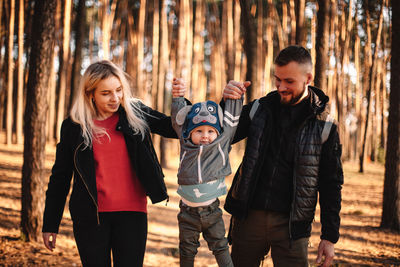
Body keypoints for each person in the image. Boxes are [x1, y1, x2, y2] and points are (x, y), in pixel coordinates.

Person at [42, 60, 177, 267]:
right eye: (106, 93)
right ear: (90, 94)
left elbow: (172, 128)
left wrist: (179, 100)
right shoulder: (74, 126)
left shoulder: (135, 114)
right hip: (90, 217)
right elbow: (60, 177)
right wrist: (50, 224)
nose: (115, 98)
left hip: (133, 215)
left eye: (119, 90)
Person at [222, 45, 343, 267]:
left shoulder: (325, 125)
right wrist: (227, 102)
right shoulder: (260, 108)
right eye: (278, 79)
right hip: (248, 216)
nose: (281, 87)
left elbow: (331, 184)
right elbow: (220, 136)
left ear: (308, 78)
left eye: (289, 81)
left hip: (291, 226)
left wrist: (329, 236)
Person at [170, 78, 246, 267]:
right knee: (186, 250)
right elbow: (178, 120)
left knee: (220, 247)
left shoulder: (221, 143)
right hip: (187, 214)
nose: (205, 135)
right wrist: (178, 97)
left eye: (210, 131)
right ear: (190, 132)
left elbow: (231, 123)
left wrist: (235, 99)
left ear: (217, 133)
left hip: (212, 212)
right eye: (199, 131)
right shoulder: (186, 143)